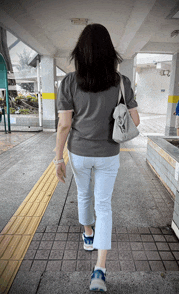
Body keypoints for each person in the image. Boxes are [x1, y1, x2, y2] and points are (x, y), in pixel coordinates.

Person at [55, 24, 140, 292]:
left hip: (78, 152)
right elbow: (135, 120)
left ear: (80, 52)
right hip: (109, 154)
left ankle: (88, 236)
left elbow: (64, 125)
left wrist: (58, 158)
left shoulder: (69, 81)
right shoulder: (121, 82)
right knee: (104, 206)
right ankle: (99, 272)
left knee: (83, 195)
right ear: (109, 52)